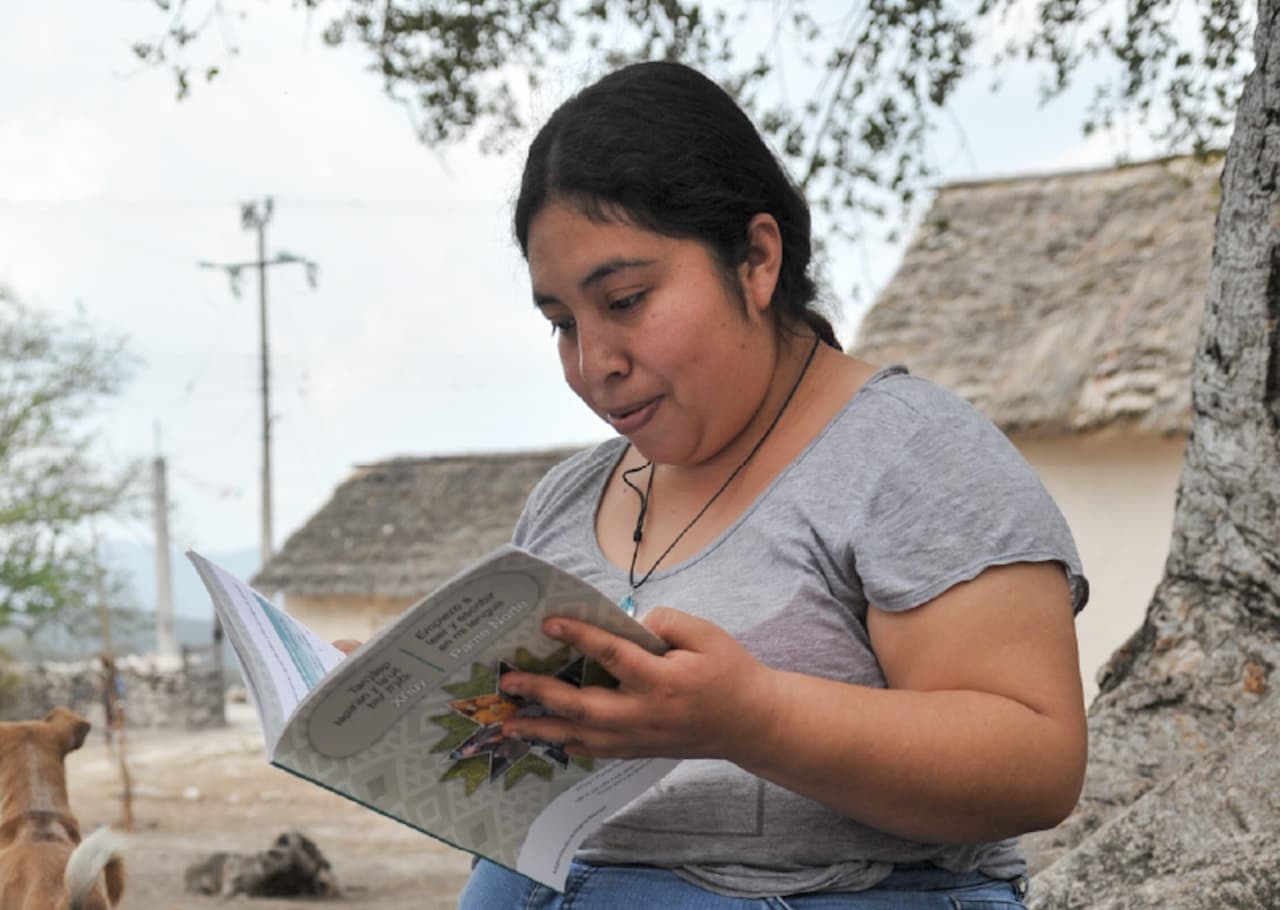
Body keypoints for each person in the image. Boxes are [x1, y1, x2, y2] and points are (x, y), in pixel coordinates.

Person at [336, 60, 1089, 908]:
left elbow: (1036, 764)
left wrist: (752, 719)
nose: (593, 363)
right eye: (562, 324)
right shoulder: (566, 500)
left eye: (625, 300)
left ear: (756, 259)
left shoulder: (913, 456)